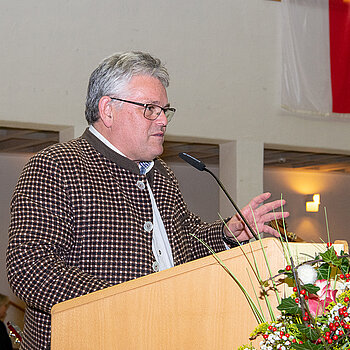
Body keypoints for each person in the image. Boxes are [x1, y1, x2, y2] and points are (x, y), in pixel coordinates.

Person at [6, 51, 289, 349]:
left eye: (165, 110)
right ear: (108, 110)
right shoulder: (57, 165)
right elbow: (30, 268)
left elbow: (184, 240)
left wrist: (227, 233)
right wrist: (129, 301)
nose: (163, 120)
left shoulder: (161, 173)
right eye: (151, 109)